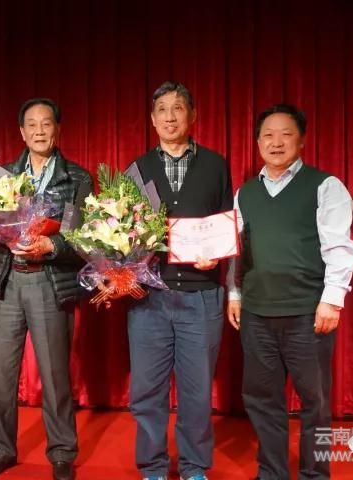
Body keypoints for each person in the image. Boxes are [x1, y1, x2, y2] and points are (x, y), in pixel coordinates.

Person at [227, 104, 353, 479]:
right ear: (257, 142)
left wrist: (332, 300)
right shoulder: (245, 193)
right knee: (262, 400)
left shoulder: (325, 186)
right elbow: (237, 250)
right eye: (267, 135)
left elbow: (339, 247)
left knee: (315, 402)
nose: (276, 142)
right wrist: (234, 294)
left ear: (301, 140)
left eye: (286, 134)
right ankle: (272, 472)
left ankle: (316, 474)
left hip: (307, 313)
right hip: (256, 314)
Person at [0, 98, 93, 480]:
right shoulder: (3, 176)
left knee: (55, 374)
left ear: (58, 129)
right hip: (8, 279)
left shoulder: (77, 178)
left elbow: (81, 238)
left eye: (46, 124)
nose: (40, 130)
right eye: (32, 125)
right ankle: (0, 450)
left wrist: (50, 245)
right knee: (1, 374)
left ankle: (62, 452)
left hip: (49, 281)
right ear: (22, 133)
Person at [125, 81, 233, 480]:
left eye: (178, 108)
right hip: (149, 297)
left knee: (196, 391)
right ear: (152, 120)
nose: (170, 117)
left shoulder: (216, 165)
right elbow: (122, 230)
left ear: (193, 115)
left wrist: (217, 254)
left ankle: (193, 467)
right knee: (147, 391)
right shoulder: (136, 170)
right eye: (162, 110)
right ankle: (153, 467)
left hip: (202, 296)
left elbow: (226, 224)